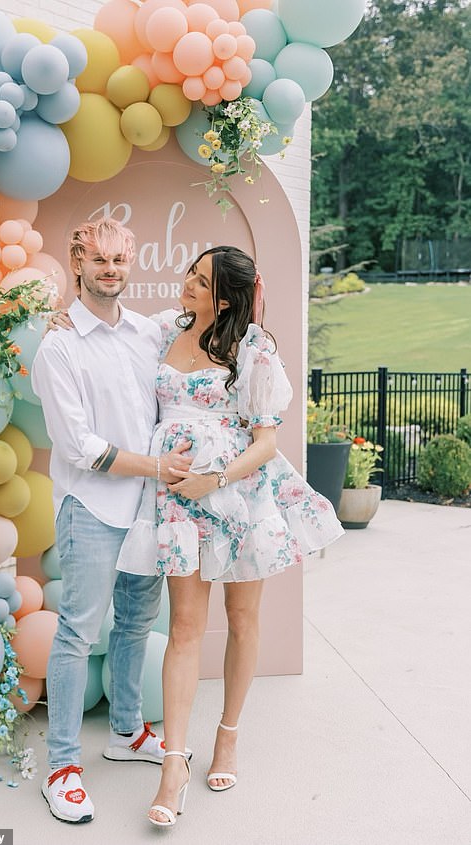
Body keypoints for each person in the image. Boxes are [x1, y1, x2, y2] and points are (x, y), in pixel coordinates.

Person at [112, 245, 344, 827]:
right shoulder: (168, 328)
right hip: (175, 499)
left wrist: (214, 479)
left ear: (224, 296)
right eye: (189, 272)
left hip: (238, 496)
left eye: (199, 279)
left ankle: (229, 736)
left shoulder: (254, 349)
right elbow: (112, 329)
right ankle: (173, 765)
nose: (185, 284)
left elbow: (267, 442)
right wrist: (67, 318)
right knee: (185, 628)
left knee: (242, 620)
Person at [30, 217, 193, 825]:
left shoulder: (147, 334)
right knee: (77, 633)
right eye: (99, 260)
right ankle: (62, 768)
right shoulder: (60, 346)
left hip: (146, 511)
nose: (111, 271)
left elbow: (206, 328)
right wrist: (157, 466)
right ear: (77, 263)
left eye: (121, 261)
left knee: (134, 626)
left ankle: (126, 733)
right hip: (93, 509)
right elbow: (80, 448)